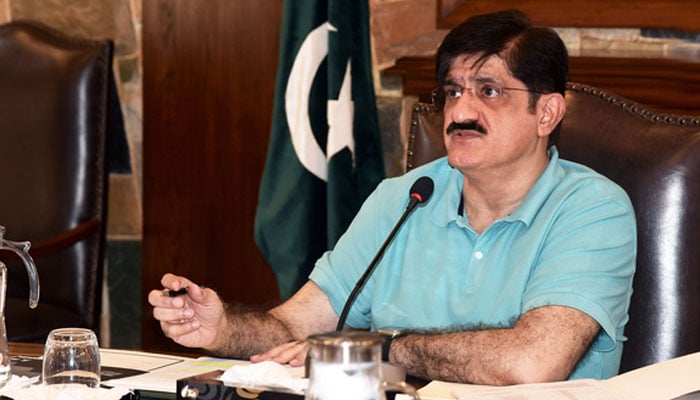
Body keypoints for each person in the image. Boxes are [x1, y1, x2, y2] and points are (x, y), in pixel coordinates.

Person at [149, 9, 636, 385]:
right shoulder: (406, 198)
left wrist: (381, 347)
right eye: (452, 90)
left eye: (488, 91)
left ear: (546, 113)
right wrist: (222, 329)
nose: (460, 110)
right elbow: (297, 327)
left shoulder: (594, 210)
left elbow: (532, 364)